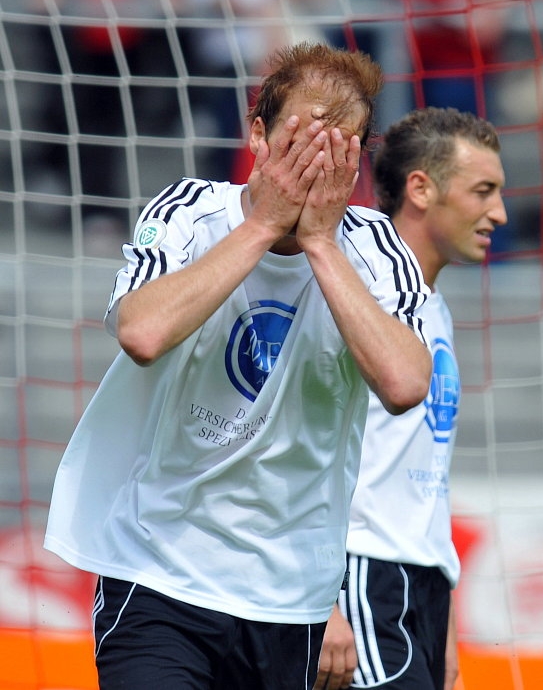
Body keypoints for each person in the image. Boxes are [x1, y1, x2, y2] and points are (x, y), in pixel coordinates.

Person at [43, 41, 432, 690]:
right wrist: (261, 229)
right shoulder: (190, 211)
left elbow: (404, 382)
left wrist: (319, 243)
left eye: (338, 149)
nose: (315, 164)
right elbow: (142, 331)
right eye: (302, 141)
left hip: (291, 599)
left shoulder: (375, 247)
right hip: (159, 577)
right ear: (257, 134)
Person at [313, 107, 508, 690]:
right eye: (483, 191)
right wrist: (322, 600)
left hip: (419, 585)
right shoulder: (356, 296)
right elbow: (297, 447)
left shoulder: (432, 308)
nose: (499, 212)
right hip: (357, 579)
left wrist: (442, 623)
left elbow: (421, 474)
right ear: (420, 189)